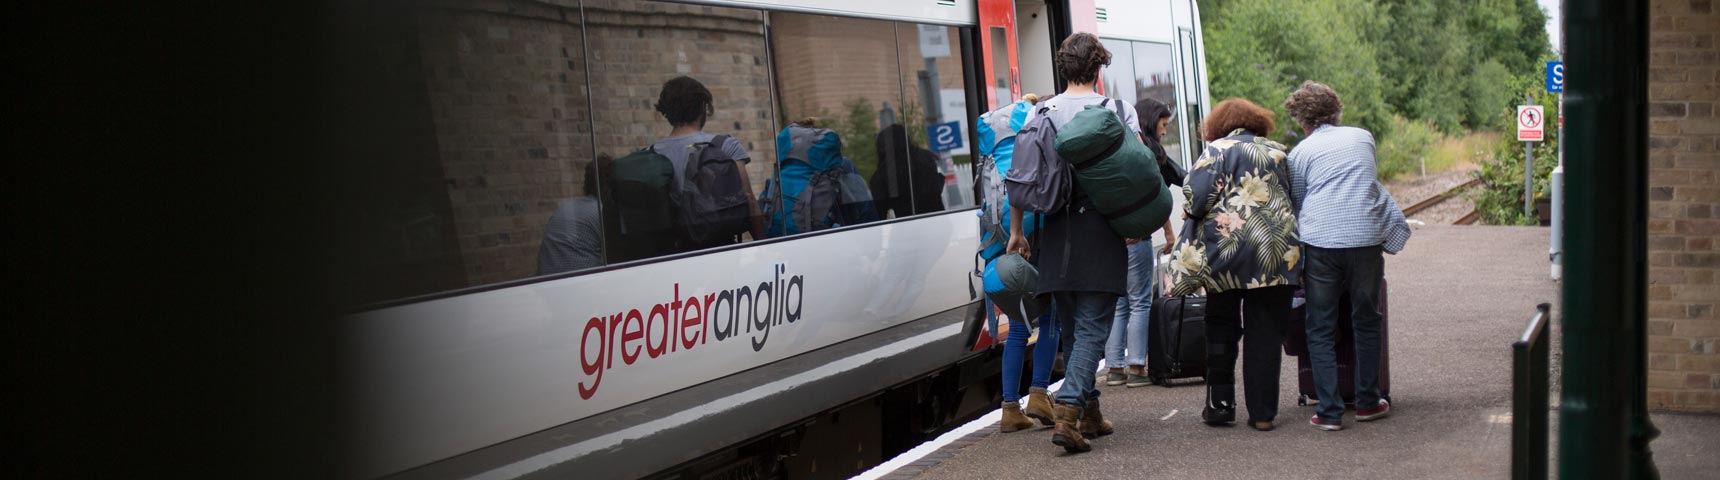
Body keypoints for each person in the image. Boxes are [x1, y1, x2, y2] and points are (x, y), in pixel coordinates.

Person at [1005, 32, 1139, 454]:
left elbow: (1019, 179)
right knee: (1094, 330)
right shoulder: (1116, 110)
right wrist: (1137, 223)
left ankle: (1092, 416)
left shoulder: (1039, 112)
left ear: (1062, 69)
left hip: (1054, 232)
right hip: (1101, 229)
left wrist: (1017, 231)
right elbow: (1137, 172)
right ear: (1099, 69)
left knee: (1073, 328)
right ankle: (1068, 415)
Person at [1166, 98, 1301, 432]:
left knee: (1221, 324)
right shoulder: (1278, 151)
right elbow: (1294, 196)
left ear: (1218, 125)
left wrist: (1193, 211)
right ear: (1258, 122)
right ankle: (1263, 414)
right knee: (1265, 331)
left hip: (1226, 251)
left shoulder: (1216, 151)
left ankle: (1221, 405)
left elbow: (1195, 198)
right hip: (1276, 252)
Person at [1283, 81, 1410, 431]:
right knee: (1367, 318)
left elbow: (1298, 201)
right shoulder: (1362, 137)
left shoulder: (1300, 153)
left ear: (1301, 117)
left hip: (1321, 243)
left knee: (1320, 326)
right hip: (1366, 238)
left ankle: (1329, 411)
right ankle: (1368, 402)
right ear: (1336, 111)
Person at [1103, 99, 1180, 388]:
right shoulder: (1146, 152)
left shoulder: (1112, 150)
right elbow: (1154, 198)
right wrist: (1170, 233)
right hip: (1137, 236)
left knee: (1119, 303)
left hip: (1112, 238)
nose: (1164, 131)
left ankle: (1114, 368)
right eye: (1163, 124)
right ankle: (1137, 366)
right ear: (1151, 121)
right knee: (1140, 302)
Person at [650, 76, 768, 247]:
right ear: (702, 108)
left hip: (673, 255)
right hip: (721, 247)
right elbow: (749, 200)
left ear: (667, 112)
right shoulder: (724, 146)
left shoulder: (651, 154)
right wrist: (763, 246)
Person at [537, 158, 608, 275]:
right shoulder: (601, 211)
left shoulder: (566, 207)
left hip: (545, 280)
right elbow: (619, 255)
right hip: (581, 283)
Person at [870, 124, 946, 218]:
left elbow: (880, 210)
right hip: (938, 220)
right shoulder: (924, 159)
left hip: (907, 226)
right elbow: (934, 189)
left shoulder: (881, 176)